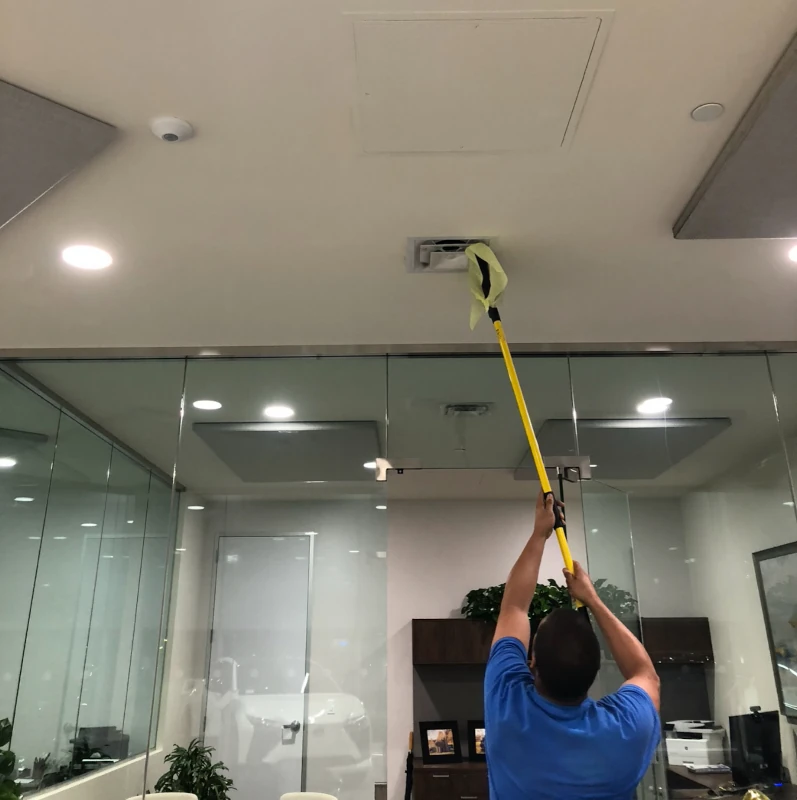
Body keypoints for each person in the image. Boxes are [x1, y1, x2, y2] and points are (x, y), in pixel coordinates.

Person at [484, 492, 661, 800]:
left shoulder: (507, 707)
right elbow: (643, 672)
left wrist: (540, 532)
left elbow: (513, 608)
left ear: (532, 664)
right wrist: (592, 600)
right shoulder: (628, 729)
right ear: (596, 670)